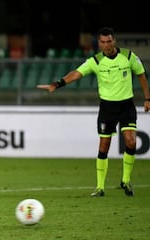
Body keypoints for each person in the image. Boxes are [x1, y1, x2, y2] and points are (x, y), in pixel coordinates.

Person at [37, 27, 150, 197]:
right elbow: (76, 74)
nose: (106, 45)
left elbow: (141, 75)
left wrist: (147, 98)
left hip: (126, 105)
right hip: (107, 108)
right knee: (104, 146)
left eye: (109, 41)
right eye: (103, 42)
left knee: (131, 142)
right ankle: (100, 187)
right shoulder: (95, 61)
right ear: (99, 43)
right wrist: (57, 84)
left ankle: (126, 180)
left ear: (114, 41)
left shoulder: (128, 56)